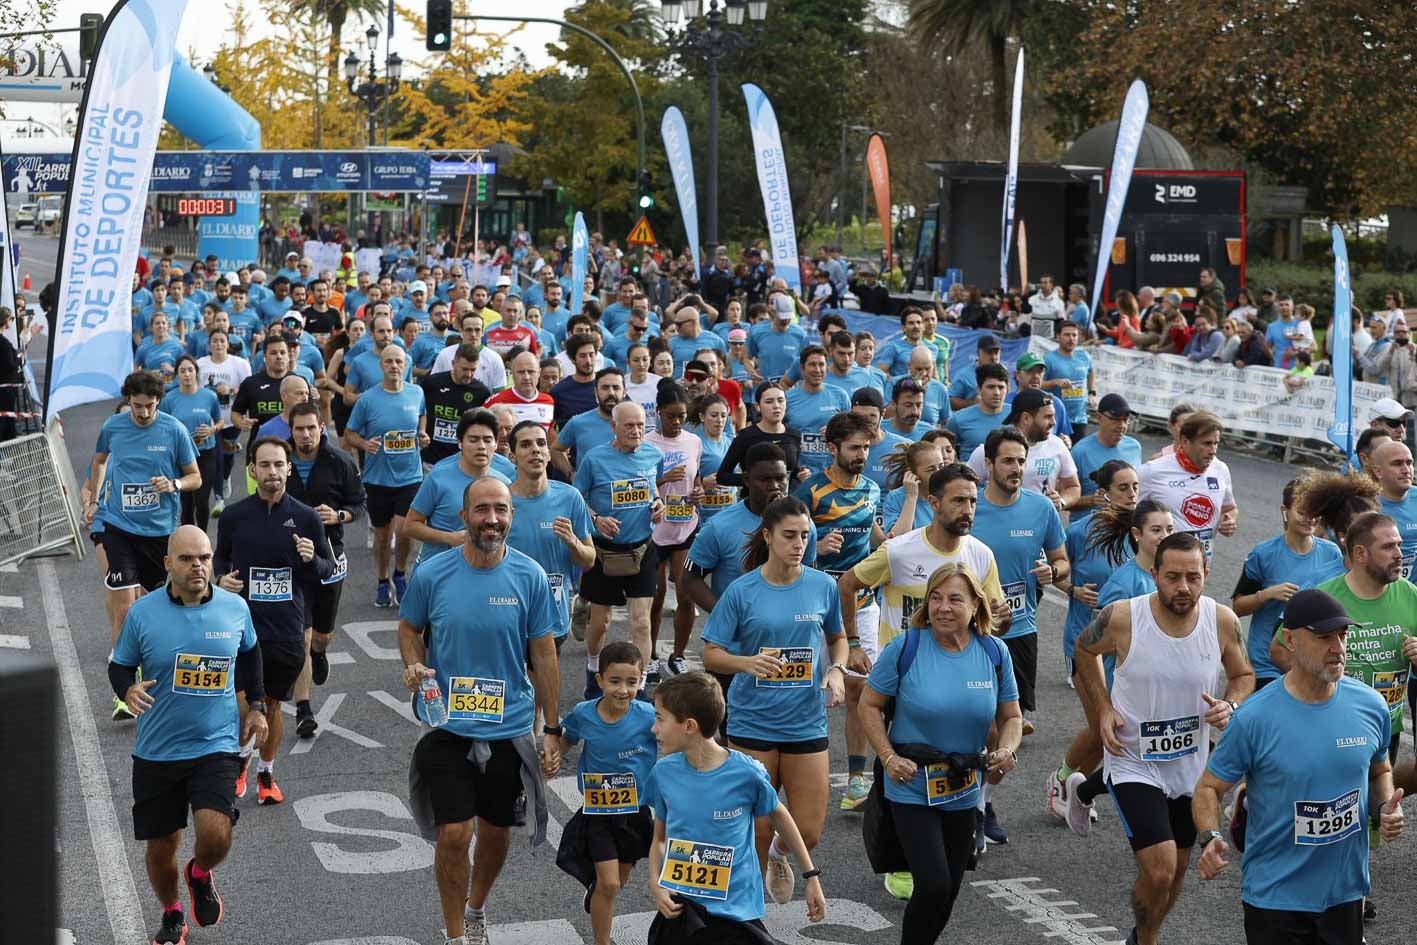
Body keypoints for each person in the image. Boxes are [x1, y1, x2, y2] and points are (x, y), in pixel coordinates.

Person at [398, 477, 563, 945]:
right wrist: (415, 665)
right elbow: (410, 628)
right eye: (482, 509)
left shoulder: (529, 576)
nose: (492, 519)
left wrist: (552, 728)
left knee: (495, 834)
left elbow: (545, 655)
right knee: (454, 834)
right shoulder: (433, 575)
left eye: (501, 510)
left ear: (512, 515)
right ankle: (454, 936)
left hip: (509, 728)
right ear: (463, 516)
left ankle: (476, 909)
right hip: (447, 725)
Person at [1194, 588, 1404, 945]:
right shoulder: (1254, 719)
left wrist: (1384, 807)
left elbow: (1379, 769)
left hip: (1346, 893)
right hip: (1275, 898)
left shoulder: (1371, 706)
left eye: (1343, 635)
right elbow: (1208, 788)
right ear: (1289, 640)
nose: (1338, 647)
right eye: (1324, 637)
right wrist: (1210, 836)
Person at [1075, 532, 1253, 945]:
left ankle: (1141, 936)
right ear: (1154, 574)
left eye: (1193, 576)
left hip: (1191, 765)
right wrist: (1103, 707)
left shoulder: (1221, 620)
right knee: (1158, 867)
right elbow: (1084, 651)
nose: (1183, 587)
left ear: (1206, 573)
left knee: (1175, 872)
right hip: (1133, 760)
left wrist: (1231, 705)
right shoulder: (1123, 616)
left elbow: (1244, 676)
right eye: (1172, 576)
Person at [109, 525, 268, 945]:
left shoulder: (235, 609)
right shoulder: (143, 613)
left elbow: (250, 653)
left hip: (214, 745)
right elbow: (119, 664)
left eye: (204, 557)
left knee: (215, 835)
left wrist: (255, 705)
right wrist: (126, 688)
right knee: (162, 848)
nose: (197, 565)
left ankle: (199, 873)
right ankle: (172, 913)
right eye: (186, 558)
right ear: (167, 564)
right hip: (157, 751)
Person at [839, 463, 1006, 845]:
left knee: (968, 746)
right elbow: (847, 584)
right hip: (905, 673)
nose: (968, 509)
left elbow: (992, 622)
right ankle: (896, 845)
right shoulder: (899, 551)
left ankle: (972, 814)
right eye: (959, 500)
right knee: (902, 762)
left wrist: (1003, 620)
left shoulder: (981, 555)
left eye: (973, 501)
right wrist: (852, 644)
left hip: (960, 671)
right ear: (933, 503)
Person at [859, 562, 1022, 943]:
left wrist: (1007, 750)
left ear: (975, 606)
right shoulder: (907, 646)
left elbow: (1011, 716)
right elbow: (869, 705)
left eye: (954, 599)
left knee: (948, 889)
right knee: (931, 884)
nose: (943, 607)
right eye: (935, 598)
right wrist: (887, 757)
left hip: (964, 786)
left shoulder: (994, 651)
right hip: (911, 783)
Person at [700, 495, 847, 905]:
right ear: (768, 536)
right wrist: (746, 663)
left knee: (810, 831)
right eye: (789, 535)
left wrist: (836, 669)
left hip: (806, 721)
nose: (799, 543)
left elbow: (838, 638)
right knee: (758, 828)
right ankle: (748, 912)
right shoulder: (742, 591)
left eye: (805, 535)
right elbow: (711, 652)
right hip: (752, 723)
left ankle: (782, 856)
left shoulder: (822, 585)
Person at [645, 672, 827, 938]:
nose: (654, 728)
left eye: (660, 718)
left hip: (736, 912)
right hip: (682, 908)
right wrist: (656, 882)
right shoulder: (663, 774)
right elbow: (659, 839)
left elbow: (779, 815)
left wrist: (811, 876)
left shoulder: (747, 774)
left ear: (689, 726)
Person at [215, 437, 335, 804]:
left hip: (286, 629)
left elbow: (328, 571)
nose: (272, 472)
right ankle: (239, 763)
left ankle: (265, 772)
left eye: (278, 465)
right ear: (251, 469)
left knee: (270, 705)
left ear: (288, 468)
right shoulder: (235, 516)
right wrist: (221, 580)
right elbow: (219, 559)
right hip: (241, 627)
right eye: (264, 465)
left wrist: (312, 558)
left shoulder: (306, 517)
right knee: (242, 703)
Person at [1050, 499, 1174, 835]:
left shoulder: (1166, 578)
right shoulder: (1125, 582)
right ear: (1137, 534)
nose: (1164, 536)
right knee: (1103, 736)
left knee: (1113, 743)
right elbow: (1094, 643)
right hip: (1105, 676)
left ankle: (1077, 785)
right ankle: (1063, 782)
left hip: (1141, 682)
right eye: (1156, 530)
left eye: (1169, 529)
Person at [84, 370, 203, 721]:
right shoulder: (114, 426)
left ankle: (167, 679)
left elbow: (196, 476)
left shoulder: (173, 430)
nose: (144, 413)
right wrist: (93, 498)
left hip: (160, 533)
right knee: (125, 608)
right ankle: (124, 691)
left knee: (163, 608)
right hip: (119, 527)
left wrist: (174, 485)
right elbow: (99, 460)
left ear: (158, 402)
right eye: (137, 406)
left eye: (150, 406)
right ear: (129, 402)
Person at [969, 426, 1067, 842]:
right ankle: (967, 806)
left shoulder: (1040, 508)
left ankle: (983, 803)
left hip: (1022, 629)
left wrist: (1053, 572)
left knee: (1010, 725)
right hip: (972, 632)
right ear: (988, 464)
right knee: (978, 725)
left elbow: (1062, 562)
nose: (1016, 468)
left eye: (1021, 461)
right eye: (1007, 460)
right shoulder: (970, 509)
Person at [546, 641, 657, 945]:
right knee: (608, 884)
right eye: (615, 681)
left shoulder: (649, 716)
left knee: (616, 883)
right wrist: (556, 753)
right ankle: (602, 941)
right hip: (598, 810)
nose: (623, 690)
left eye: (632, 682)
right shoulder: (585, 713)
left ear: (641, 680)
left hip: (635, 812)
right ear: (599, 681)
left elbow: (671, 745)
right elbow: (569, 737)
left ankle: (596, 893)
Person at [283, 401, 364, 735]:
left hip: (329, 556)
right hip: (289, 559)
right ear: (291, 430)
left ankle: (319, 654)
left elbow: (359, 504)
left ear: (322, 428)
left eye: (311, 428)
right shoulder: (280, 462)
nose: (305, 435)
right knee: (300, 636)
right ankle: (304, 709)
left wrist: (339, 515)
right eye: (299, 429)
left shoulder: (340, 462)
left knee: (321, 636)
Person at [575, 402, 667, 696]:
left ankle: (638, 687)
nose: (636, 431)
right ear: (613, 427)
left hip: (642, 549)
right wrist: (596, 519)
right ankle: (593, 669)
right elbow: (577, 498)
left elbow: (654, 486)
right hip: (604, 552)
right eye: (629, 425)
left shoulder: (654, 454)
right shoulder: (595, 459)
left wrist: (658, 504)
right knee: (601, 623)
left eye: (641, 425)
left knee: (641, 622)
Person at [1232, 478, 1345, 693]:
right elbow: (1238, 607)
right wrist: (1266, 595)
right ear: (1285, 510)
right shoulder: (1263, 554)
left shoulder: (1332, 553)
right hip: (1267, 663)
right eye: (1302, 512)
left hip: (1311, 659)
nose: (1310, 519)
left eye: (1315, 513)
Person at [343, 344, 429, 607]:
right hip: (378, 478)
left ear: (405, 365)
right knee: (382, 536)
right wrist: (364, 444)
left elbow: (422, 415)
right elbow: (350, 434)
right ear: (381, 366)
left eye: (399, 362)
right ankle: (382, 580)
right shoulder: (368, 399)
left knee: (405, 531)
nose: (394, 366)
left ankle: (400, 574)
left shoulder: (416, 392)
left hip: (410, 477)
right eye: (389, 362)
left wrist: (422, 435)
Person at [505, 420, 597, 652]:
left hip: (552, 618)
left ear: (548, 454)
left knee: (545, 688)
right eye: (525, 445)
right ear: (513, 456)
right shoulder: (500, 501)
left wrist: (573, 542)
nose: (535, 449)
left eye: (541, 443)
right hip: (507, 615)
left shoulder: (570, 497)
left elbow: (589, 560)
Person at [645, 380, 703, 681]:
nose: (677, 421)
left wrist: (698, 492)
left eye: (682, 415)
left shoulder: (693, 441)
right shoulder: (646, 444)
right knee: (655, 597)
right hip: (655, 530)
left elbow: (698, 478)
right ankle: (651, 654)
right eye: (671, 415)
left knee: (686, 595)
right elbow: (641, 486)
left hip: (685, 526)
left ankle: (678, 655)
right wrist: (665, 479)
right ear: (658, 413)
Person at [403, 408, 512, 567]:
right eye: (473, 440)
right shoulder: (438, 478)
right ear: (460, 443)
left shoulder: (504, 483)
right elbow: (410, 526)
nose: (481, 446)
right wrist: (449, 538)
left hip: (484, 570)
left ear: (496, 444)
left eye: (487, 440)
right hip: (439, 569)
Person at [1138, 410, 1238, 560]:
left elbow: (1230, 508)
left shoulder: (1220, 469)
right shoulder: (1153, 470)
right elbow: (1125, 509)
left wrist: (1229, 520)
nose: (1213, 451)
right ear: (1185, 441)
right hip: (1160, 566)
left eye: (1216, 443)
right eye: (1207, 443)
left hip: (1199, 567)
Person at [965, 389, 1078, 510]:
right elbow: (963, 488)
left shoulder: (1057, 445)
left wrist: (1061, 501)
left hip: (1042, 523)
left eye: (1053, 416)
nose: (1054, 422)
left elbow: (1073, 487)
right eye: (1047, 417)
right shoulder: (987, 450)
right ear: (1026, 418)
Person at [160, 355, 224, 533]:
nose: (187, 374)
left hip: (206, 453)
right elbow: (161, 426)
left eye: (190, 370)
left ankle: (202, 536)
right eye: (182, 371)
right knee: (186, 504)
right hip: (182, 456)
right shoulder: (169, 399)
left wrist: (212, 430)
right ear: (177, 375)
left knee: (202, 500)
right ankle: (187, 539)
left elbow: (219, 421)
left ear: (196, 372)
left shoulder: (209, 396)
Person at [418, 343, 493, 466]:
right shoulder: (432, 384)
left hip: (462, 461)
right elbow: (420, 412)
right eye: (464, 369)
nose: (469, 374)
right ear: (453, 364)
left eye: (473, 370)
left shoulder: (481, 392)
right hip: (430, 458)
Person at [713, 382, 803, 486]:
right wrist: (754, 480)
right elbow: (722, 476)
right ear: (758, 406)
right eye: (769, 402)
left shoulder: (794, 435)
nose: (776, 406)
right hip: (754, 500)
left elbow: (794, 472)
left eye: (780, 401)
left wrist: (802, 474)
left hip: (785, 500)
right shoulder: (745, 436)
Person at [1071, 394, 1143, 521]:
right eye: (1115, 419)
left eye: (1126, 420)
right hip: (1089, 530)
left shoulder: (1135, 447)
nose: (1122, 425)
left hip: (1123, 529)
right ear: (1099, 417)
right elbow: (1064, 498)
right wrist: (1090, 500)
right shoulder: (1080, 451)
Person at [551, 366, 624, 477]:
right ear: (595, 392)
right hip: (590, 492)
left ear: (624, 392)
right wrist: (571, 474)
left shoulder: (635, 422)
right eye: (605, 388)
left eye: (616, 387)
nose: (611, 393)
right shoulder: (578, 422)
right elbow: (556, 450)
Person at [881, 440, 947, 538]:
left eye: (941, 467)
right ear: (912, 473)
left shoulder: (949, 493)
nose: (939, 473)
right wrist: (911, 497)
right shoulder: (895, 498)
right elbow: (896, 540)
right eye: (931, 469)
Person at [1042, 321, 1094, 438]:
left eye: (1074, 335)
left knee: (1076, 454)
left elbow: (1091, 372)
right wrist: (1055, 382)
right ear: (1058, 336)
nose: (1071, 339)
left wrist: (1092, 392)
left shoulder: (1084, 356)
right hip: (1056, 418)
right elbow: (1038, 384)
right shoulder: (1048, 359)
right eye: (1067, 335)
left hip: (1080, 418)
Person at [946, 362, 1010, 458]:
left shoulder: (1018, 415)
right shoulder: (958, 419)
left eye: (1001, 387)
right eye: (991, 387)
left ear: (1008, 389)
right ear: (979, 389)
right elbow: (944, 451)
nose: (996, 392)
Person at [486, 351, 555, 428]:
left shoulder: (549, 402)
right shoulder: (496, 401)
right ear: (512, 373)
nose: (526, 377)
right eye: (521, 372)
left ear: (539, 373)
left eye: (531, 372)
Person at [885, 377, 936, 441]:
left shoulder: (931, 434)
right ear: (894, 404)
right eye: (908, 405)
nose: (915, 412)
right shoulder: (880, 431)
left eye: (919, 405)